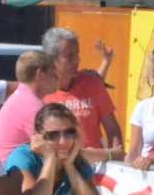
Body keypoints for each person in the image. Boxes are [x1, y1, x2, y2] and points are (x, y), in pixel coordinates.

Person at [5, 103, 103, 195]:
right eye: (53, 135)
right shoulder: (23, 157)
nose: (63, 141)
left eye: (69, 132)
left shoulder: (76, 161)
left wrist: (69, 166)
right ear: (38, 136)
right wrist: (50, 158)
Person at [42, 27, 124, 161]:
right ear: (52, 60)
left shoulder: (92, 83)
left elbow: (112, 129)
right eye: (69, 56)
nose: (77, 60)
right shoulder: (42, 94)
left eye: (77, 54)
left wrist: (116, 161)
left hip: (96, 170)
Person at [0, 52, 60, 163]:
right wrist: (97, 155)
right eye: (53, 74)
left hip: (5, 174)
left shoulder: (20, 98)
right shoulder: (33, 106)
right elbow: (57, 150)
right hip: (11, 176)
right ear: (40, 74)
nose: (58, 78)